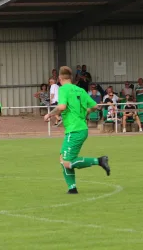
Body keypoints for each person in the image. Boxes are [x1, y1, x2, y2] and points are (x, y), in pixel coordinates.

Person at [43, 66, 110, 194]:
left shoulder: (63, 89)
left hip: (74, 130)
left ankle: (100, 161)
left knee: (67, 162)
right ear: (71, 77)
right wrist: (86, 113)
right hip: (81, 128)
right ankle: (72, 188)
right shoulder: (80, 90)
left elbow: (61, 106)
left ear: (59, 78)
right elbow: (95, 106)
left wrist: (49, 114)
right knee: (63, 158)